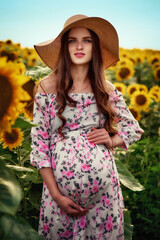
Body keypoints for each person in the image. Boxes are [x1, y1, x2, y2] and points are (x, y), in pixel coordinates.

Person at [30, 14, 144, 240]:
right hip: (59, 200)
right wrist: (57, 196)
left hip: (104, 202)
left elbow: (133, 129)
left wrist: (112, 140)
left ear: (95, 47)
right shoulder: (46, 87)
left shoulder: (105, 88)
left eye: (87, 40)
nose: (79, 46)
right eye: (72, 40)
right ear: (65, 46)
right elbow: (39, 147)